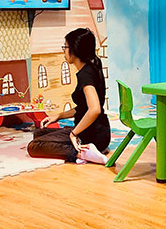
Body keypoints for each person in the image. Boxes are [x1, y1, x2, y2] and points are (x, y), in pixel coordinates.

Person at [27, 28, 110, 164]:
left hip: (91, 135)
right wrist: (58, 116)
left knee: (34, 146)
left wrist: (74, 133)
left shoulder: (85, 75)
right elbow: (83, 108)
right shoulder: (92, 66)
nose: (63, 51)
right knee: (39, 134)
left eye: (65, 47)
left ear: (74, 50)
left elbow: (95, 109)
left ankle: (82, 153)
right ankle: (93, 148)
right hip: (100, 133)